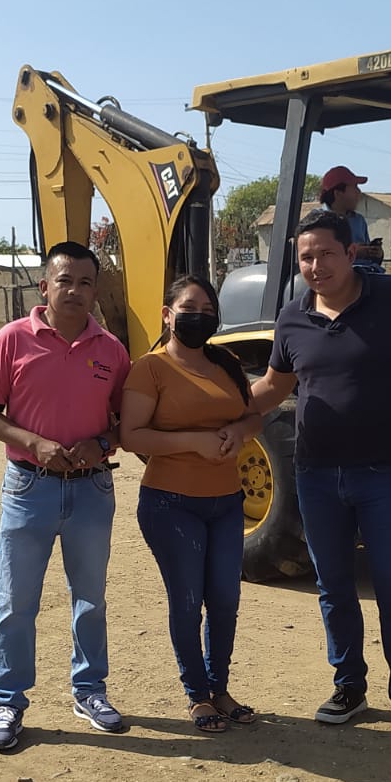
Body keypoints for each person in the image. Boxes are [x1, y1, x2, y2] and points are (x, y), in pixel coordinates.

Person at [223, 208, 391, 734]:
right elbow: (274, 387)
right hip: (316, 476)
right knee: (335, 587)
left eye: (326, 253)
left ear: (351, 253)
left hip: (383, 472)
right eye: (306, 257)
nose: (316, 265)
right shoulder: (293, 316)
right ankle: (349, 686)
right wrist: (216, 409)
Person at [0, 242, 132, 751]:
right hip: (28, 488)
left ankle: (90, 691)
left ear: (95, 291)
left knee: (90, 599)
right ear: (45, 287)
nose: (75, 291)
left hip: (92, 489)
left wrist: (101, 443)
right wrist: (34, 443)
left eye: (86, 283)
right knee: (17, 601)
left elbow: (125, 423)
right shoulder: (12, 340)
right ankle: (8, 701)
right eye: (65, 281)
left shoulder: (112, 351)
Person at [119, 274, 258, 734]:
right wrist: (194, 442)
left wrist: (239, 431)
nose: (199, 317)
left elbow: (252, 416)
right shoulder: (150, 369)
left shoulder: (226, 362)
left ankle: (220, 689)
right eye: (189, 309)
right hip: (171, 504)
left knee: (225, 599)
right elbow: (131, 435)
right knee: (187, 600)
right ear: (168, 315)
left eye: (208, 310)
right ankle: (197, 695)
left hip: (227, 502)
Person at [318, 165, 384, 270]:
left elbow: (369, 257)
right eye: (355, 187)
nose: (359, 192)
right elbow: (319, 258)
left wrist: (376, 253)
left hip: (366, 273)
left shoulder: (359, 220)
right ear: (338, 193)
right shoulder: (317, 223)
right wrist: (354, 253)